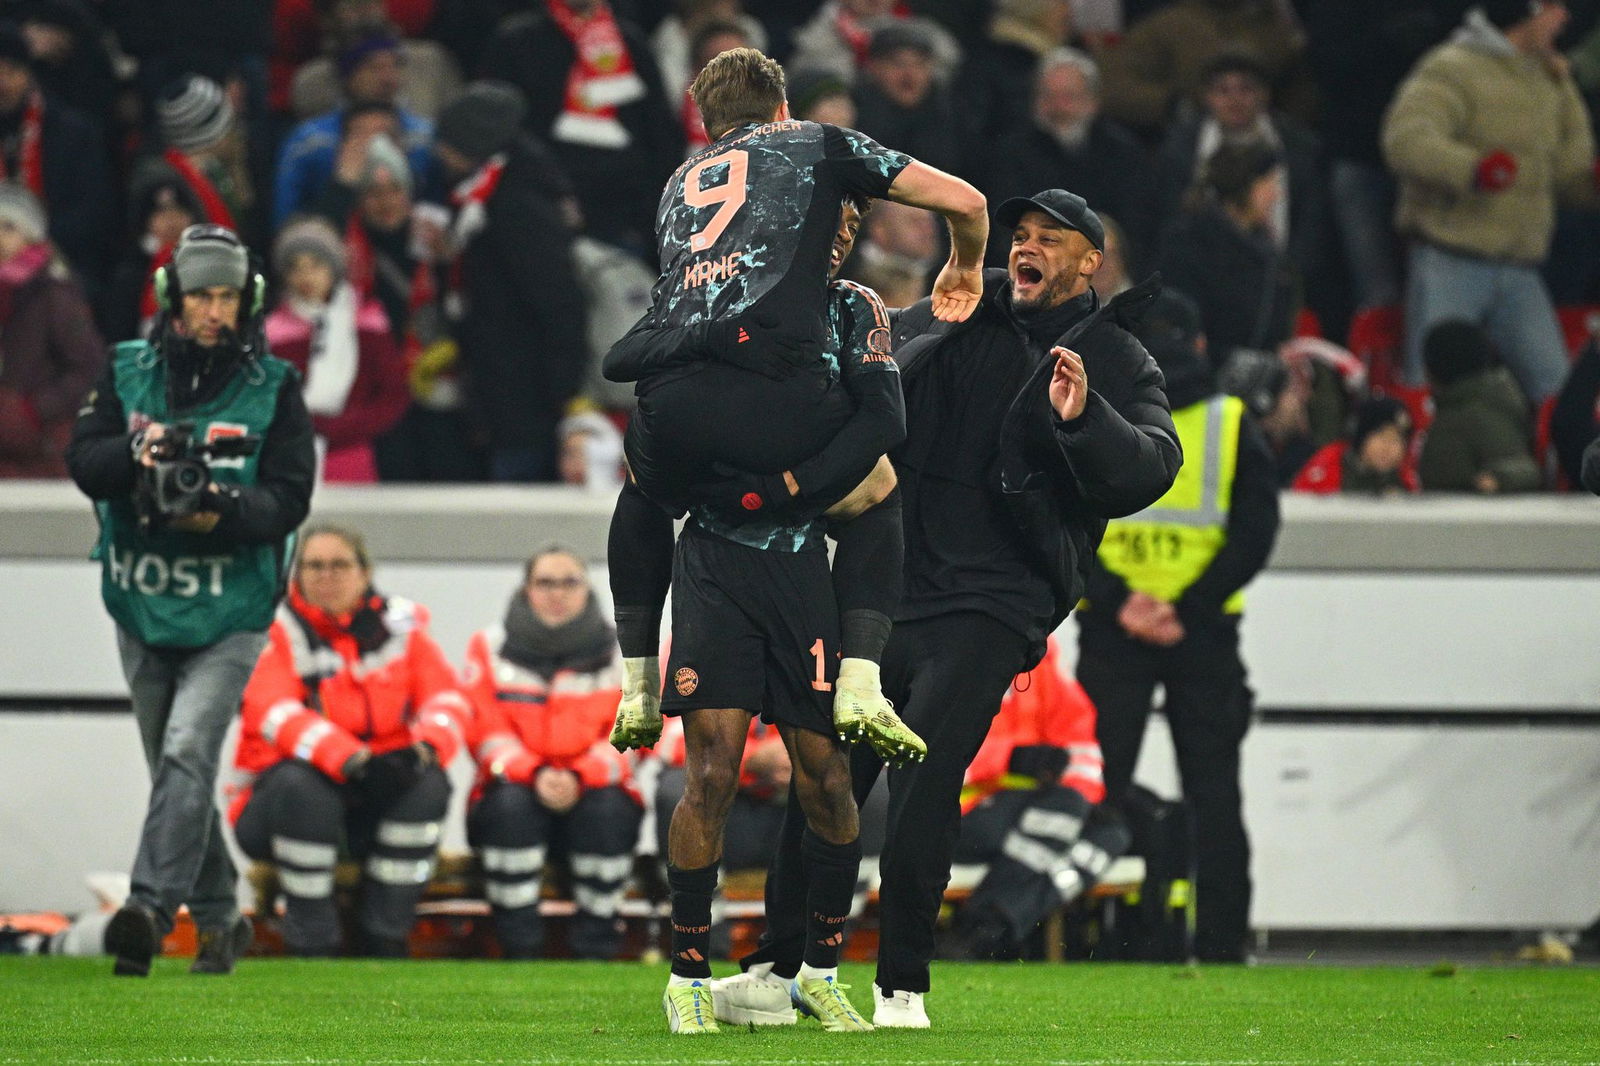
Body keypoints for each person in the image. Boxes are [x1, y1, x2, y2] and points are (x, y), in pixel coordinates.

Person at [717, 188, 1180, 1027]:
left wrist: (1087, 419)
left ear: (1090, 261)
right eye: (1022, 235)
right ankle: (779, 974)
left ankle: (901, 987)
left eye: (1050, 239)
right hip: (887, 584)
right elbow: (850, 361)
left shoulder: (1116, 357)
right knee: (825, 779)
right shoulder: (954, 304)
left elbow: (1151, 466)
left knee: (925, 782)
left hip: (994, 601)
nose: (1027, 248)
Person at [65, 223, 316, 976]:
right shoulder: (125, 369)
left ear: (250, 302)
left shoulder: (277, 388)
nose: (216, 311)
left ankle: (147, 909)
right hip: (141, 600)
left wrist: (221, 510)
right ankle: (219, 916)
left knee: (185, 751)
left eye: (228, 298)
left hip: (230, 606)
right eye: (202, 295)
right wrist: (139, 455)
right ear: (174, 297)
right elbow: (83, 460)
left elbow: (290, 498)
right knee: (178, 768)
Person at [1076, 286, 1280, 964]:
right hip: (1203, 632)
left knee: (1098, 789)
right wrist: (1186, 606)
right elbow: (1254, 533)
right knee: (1214, 793)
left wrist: (1118, 600)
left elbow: (1057, 522)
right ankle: (1221, 945)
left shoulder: (1090, 409)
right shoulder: (1229, 421)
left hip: (1113, 628)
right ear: (1198, 346)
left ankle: (1091, 940)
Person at [229, 525, 472, 957]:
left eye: (340, 564)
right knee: (301, 786)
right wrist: (354, 761)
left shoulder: (401, 629)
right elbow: (275, 713)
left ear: (364, 573)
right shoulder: (271, 629)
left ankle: (385, 933)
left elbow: (449, 700)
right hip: (275, 808)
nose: (327, 575)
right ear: (296, 574)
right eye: (314, 566)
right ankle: (312, 938)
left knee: (429, 783)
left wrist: (422, 752)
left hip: (369, 797)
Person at [1382, 0, 1596, 405]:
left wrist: (1593, 181)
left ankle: (1565, 468)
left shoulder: (1550, 77)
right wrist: (1472, 170)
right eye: (1554, 6)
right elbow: (1406, 140)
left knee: (1562, 395)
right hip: (1451, 260)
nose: (1565, 17)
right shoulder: (1452, 67)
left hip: (1519, 268)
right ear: (1527, 12)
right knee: (1428, 391)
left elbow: (1569, 172)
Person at [461, 548, 641, 959]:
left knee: (609, 809)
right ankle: (518, 948)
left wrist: (580, 776)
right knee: (510, 806)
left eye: (569, 582)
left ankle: (595, 948)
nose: (557, 593)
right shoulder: (488, 647)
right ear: (527, 589)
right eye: (545, 582)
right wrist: (535, 773)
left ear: (587, 588)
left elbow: (633, 732)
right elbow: (483, 729)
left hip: (595, 796)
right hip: (514, 795)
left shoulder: (624, 651)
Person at [433, 82, 589, 483]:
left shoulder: (515, 207)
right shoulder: (484, 199)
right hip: (507, 388)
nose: (439, 152)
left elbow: (559, 304)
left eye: (448, 142)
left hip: (528, 398)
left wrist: (564, 394)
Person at [948, 634, 1130, 961]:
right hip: (955, 812)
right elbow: (925, 751)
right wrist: (1009, 758)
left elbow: (1081, 748)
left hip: (1026, 810)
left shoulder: (1039, 660)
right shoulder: (947, 648)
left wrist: (1077, 799)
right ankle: (984, 927)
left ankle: (988, 927)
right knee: (1064, 820)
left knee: (1108, 835)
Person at [264, 216, 408, 482]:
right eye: (295, 268)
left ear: (333, 268)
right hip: (288, 458)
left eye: (316, 265)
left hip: (352, 455)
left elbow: (393, 395)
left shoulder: (366, 323)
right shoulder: (272, 332)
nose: (305, 277)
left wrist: (341, 428)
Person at [1158, 141, 1299, 371]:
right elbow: (1182, 329)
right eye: (1268, 183)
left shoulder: (1269, 256)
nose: (1276, 194)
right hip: (1201, 381)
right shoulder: (1188, 245)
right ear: (1243, 186)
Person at [0, 181, 103, 477]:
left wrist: (33, 411)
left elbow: (89, 367)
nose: (0, 237)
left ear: (31, 235)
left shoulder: (53, 294)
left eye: (9, 227)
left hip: (41, 451)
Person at [1417, 319, 1543, 494]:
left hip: (1477, 517)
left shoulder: (1479, 413)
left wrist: (1497, 479)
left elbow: (1525, 470)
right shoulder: (1466, 404)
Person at [1292, 395, 1418, 495]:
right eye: (1381, 436)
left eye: (1397, 440)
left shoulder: (1405, 478)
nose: (1388, 447)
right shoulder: (1326, 470)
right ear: (1361, 437)